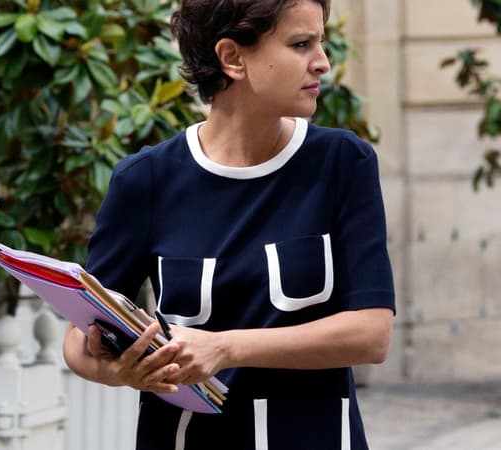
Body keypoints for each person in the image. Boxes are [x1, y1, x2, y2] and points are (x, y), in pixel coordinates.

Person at [62, 0, 395, 448]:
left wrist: (227, 347)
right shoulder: (145, 180)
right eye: (301, 44)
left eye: (321, 42)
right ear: (232, 58)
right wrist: (117, 370)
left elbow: (370, 334)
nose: (323, 62)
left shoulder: (342, 164)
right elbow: (81, 338)